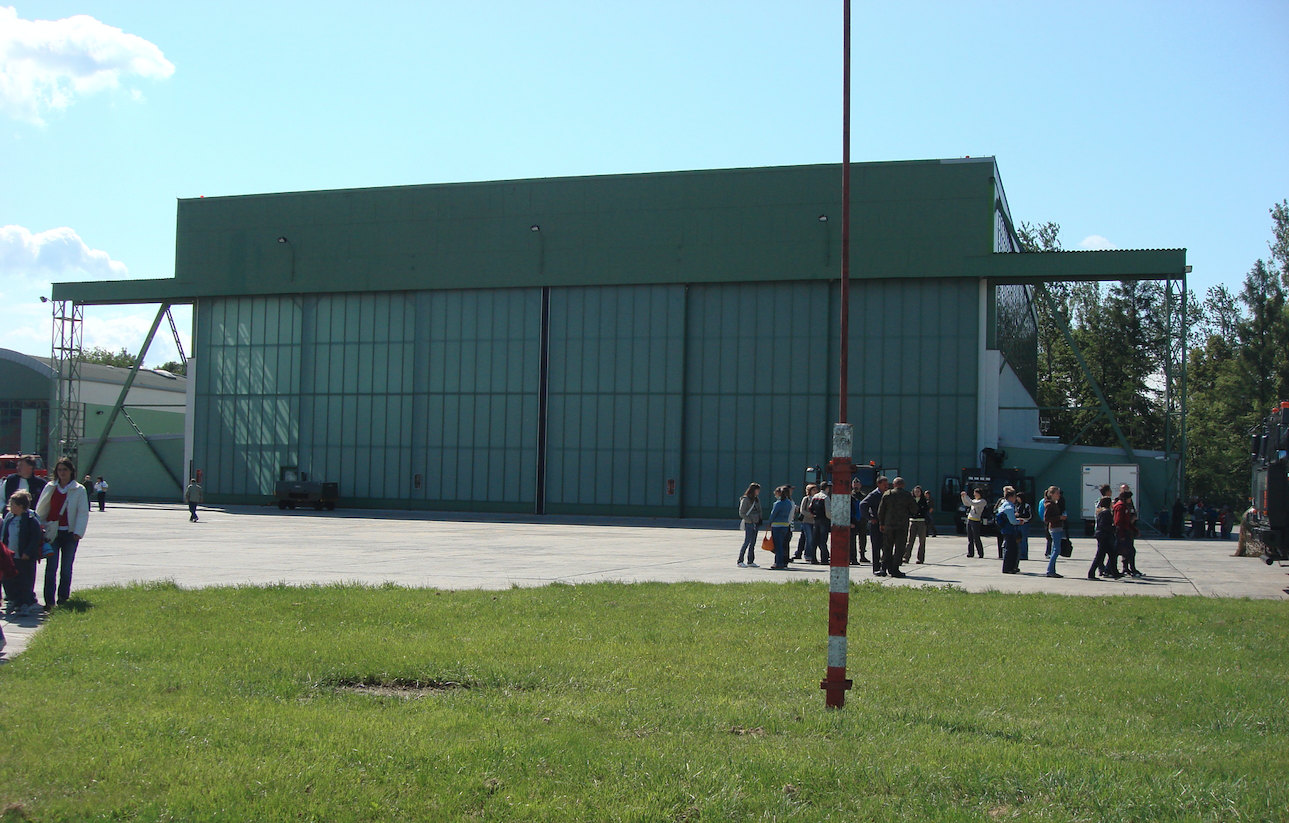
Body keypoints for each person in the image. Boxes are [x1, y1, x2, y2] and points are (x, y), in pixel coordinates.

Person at [35, 457, 89, 610]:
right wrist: (41, 526)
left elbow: (82, 512)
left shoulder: (79, 490)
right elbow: (41, 508)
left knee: (66, 568)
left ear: (71, 471)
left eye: (65, 469)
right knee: (51, 567)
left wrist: (78, 531)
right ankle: (49, 601)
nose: (62, 473)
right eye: (59, 470)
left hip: (70, 534)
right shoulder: (50, 487)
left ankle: (63, 598)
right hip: (52, 533)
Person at [1, 490, 44, 617]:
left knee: (25, 580)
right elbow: (5, 536)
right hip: (11, 557)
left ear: (20, 506)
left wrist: (28, 552)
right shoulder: (9, 518)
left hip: (24, 558)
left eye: (12, 504)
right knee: (8, 579)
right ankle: (13, 600)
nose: (9, 507)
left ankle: (25, 603)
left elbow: (35, 538)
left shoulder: (31, 520)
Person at [877, 477, 917, 578]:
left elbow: (881, 511)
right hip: (902, 526)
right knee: (899, 548)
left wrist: (882, 523)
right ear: (903, 485)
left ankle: (883, 568)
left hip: (889, 525)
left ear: (894, 485)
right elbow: (914, 509)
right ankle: (895, 569)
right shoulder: (907, 495)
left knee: (887, 547)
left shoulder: (887, 494)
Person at [1088, 484, 1119, 579]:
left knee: (1112, 554)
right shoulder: (1106, 513)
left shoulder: (1103, 512)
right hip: (1103, 536)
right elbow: (1103, 525)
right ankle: (1091, 573)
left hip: (1104, 535)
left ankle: (1115, 573)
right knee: (1100, 556)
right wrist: (1113, 528)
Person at [860, 476, 889, 575]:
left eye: (887, 484)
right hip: (876, 524)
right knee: (876, 546)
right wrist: (870, 518)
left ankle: (885, 567)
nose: (886, 486)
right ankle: (876, 568)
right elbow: (863, 504)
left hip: (886, 524)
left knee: (886, 546)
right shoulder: (874, 494)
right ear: (878, 484)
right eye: (884, 485)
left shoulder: (888, 494)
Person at [1114, 490, 1142, 577]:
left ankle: (1128, 569)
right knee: (1127, 551)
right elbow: (1118, 522)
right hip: (1121, 532)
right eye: (1129, 498)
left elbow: (1127, 522)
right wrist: (1121, 534)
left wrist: (1135, 530)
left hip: (1124, 531)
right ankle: (1130, 569)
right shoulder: (1121, 507)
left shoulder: (1125, 507)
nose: (1130, 499)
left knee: (1120, 552)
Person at [767, 485, 796, 569]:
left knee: (777, 545)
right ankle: (782, 561)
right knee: (782, 544)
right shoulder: (789, 503)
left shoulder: (778, 503)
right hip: (785, 526)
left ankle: (778, 562)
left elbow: (773, 514)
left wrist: (769, 523)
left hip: (777, 525)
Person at [1042, 485, 1067, 578]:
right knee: (1056, 550)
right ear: (1051, 494)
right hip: (1054, 528)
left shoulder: (1054, 503)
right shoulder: (1049, 505)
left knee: (1055, 549)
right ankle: (1050, 570)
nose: (1059, 495)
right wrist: (1059, 517)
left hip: (1057, 527)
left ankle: (1052, 570)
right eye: (1057, 493)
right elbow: (1047, 518)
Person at [736, 483, 762, 568]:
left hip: (756, 523)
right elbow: (742, 512)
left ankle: (750, 561)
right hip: (749, 523)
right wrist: (749, 520)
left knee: (753, 543)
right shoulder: (746, 499)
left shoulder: (756, 499)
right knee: (747, 542)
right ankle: (740, 560)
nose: (758, 491)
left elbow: (759, 510)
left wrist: (760, 519)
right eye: (757, 489)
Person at [903, 484, 930, 564]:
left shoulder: (924, 500)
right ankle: (906, 557)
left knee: (922, 541)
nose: (917, 493)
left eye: (918, 492)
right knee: (910, 540)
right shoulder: (911, 500)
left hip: (921, 521)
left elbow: (925, 510)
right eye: (915, 492)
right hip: (913, 521)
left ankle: (920, 558)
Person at [997, 486, 1021, 573]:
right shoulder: (1009, 507)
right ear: (1010, 497)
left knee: (1012, 549)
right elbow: (1012, 521)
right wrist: (1019, 522)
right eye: (1015, 497)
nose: (1016, 499)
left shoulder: (1003, 504)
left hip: (1006, 530)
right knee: (1010, 550)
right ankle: (1008, 568)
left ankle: (1011, 567)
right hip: (1009, 530)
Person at [961, 486, 987, 559]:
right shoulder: (974, 500)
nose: (974, 495)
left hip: (976, 520)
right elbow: (967, 503)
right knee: (970, 538)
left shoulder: (982, 501)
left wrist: (966, 496)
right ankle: (970, 553)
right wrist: (963, 497)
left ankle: (980, 553)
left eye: (976, 493)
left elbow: (972, 503)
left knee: (976, 537)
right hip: (970, 519)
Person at [848, 477, 868, 566]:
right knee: (852, 539)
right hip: (854, 520)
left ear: (860, 485)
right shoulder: (850, 496)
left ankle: (862, 555)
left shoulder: (864, 496)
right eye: (854, 484)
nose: (856, 486)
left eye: (857, 484)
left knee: (863, 538)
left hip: (863, 520)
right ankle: (853, 556)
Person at [811, 482, 832, 564]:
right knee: (823, 540)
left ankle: (813, 558)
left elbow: (810, 508)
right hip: (824, 520)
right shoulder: (826, 497)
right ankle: (824, 559)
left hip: (816, 519)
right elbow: (828, 511)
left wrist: (814, 514)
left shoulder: (815, 496)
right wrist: (831, 518)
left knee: (815, 540)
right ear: (827, 488)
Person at [1015, 492, 1032, 561]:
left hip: (1025, 524)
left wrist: (1019, 515)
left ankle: (1024, 555)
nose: (1017, 499)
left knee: (1023, 539)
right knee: (1018, 540)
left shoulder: (1026, 505)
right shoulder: (1017, 505)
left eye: (1018, 497)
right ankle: (1019, 554)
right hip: (1018, 523)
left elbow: (1028, 516)